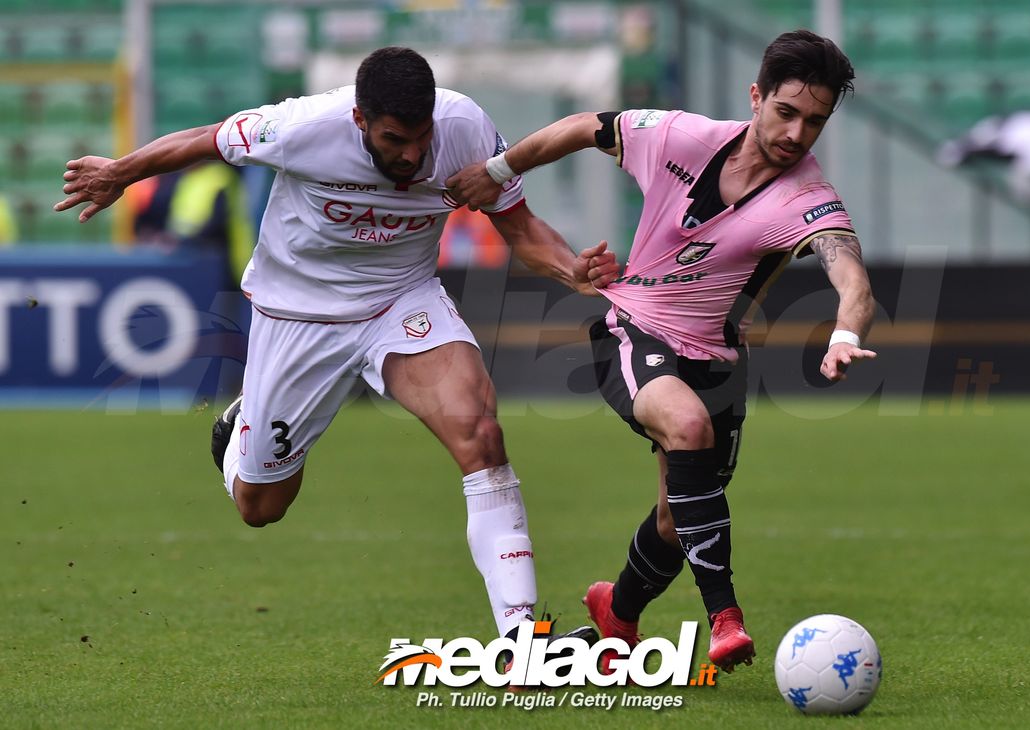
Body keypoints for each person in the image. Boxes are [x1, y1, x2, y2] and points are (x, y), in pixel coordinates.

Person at [55, 47, 619, 646]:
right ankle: (242, 427)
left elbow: (521, 228)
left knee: (479, 434)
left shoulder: (464, 128)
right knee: (261, 505)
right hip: (299, 313)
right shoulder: (304, 127)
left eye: (421, 136)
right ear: (359, 121)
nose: (412, 154)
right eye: (395, 138)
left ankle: (520, 636)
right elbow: (209, 138)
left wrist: (570, 271)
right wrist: (121, 172)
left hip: (402, 299)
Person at [448, 29, 877, 673]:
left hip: (719, 361)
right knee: (687, 425)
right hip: (634, 328)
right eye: (786, 112)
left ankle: (616, 614)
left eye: (814, 122)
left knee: (679, 520)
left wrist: (845, 333)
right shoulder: (680, 136)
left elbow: (852, 278)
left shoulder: (806, 199)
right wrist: (500, 170)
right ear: (756, 96)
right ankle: (725, 618)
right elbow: (583, 126)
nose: (796, 134)